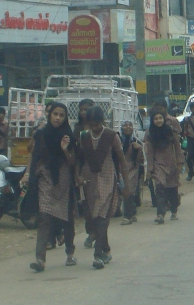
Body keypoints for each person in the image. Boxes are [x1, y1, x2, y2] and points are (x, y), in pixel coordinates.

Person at [26, 102, 78, 272]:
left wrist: (64, 149)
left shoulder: (68, 136)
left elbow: (72, 162)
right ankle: (40, 259)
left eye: (61, 115)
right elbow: (34, 156)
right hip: (45, 178)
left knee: (66, 218)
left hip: (63, 179)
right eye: (55, 114)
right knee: (44, 217)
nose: (58, 118)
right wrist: (29, 174)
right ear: (49, 115)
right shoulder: (41, 134)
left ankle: (70, 252)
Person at [77, 106, 127, 268]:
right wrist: (78, 176)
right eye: (91, 125)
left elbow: (122, 160)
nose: (94, 128)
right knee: (94, 216)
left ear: (103, 122)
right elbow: (79, 159)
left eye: (97, 124)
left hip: (107, 177)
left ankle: (97, 255)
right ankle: (105, 250)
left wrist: (125, 184)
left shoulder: (111, 136)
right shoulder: (83, 137)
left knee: (101, 216)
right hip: (89, 180)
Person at [145, 109, 184, 223]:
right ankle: (160, 214)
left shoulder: (170, 131)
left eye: (160, 118)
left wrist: (180, 163)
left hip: (171, 164)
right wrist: (150, 169)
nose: (158, 121)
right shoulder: (150, 134)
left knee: (172, 189)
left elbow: (177, 147)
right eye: (156, 119)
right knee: (160, 187)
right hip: (158, 164)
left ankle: (174, 210)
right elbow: (150, 152)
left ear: (164, 119)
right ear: (152, 121)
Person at [118, 121, 143, 224]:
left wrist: (140, 150)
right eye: (125, 125)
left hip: (132, 169)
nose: (128, 127)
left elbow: (139, 160)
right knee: (125, 191)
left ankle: (127, 216)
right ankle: (132, 212)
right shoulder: (118, 141)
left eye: (130, 125)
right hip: (120, 169)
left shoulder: (136, 141)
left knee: (128, 190)